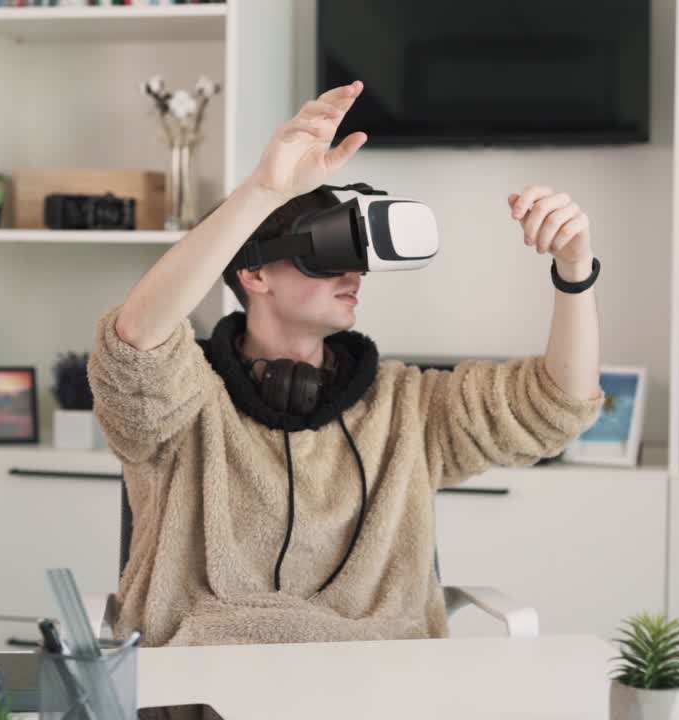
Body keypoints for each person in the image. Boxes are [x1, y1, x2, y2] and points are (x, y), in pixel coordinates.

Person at [89, 80, 604, 648]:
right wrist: (263, 191)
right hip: (207, 678)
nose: (353, 275)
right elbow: (134, 344)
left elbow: (557, 406)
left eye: (357, 261)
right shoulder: (182, 404)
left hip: (377, 677)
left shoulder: (404, 406)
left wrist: (574, 270)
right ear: (253, 274)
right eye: (329, 255)